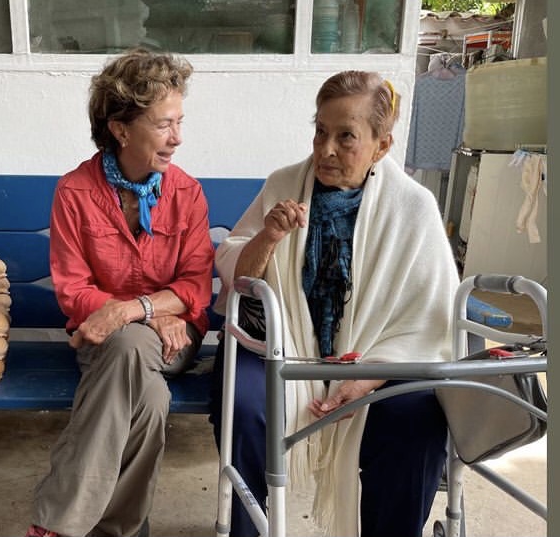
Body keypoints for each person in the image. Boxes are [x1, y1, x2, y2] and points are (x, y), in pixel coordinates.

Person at [209, 70, 460, 537]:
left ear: (381, 146)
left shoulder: (414, 207)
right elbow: (239, 277)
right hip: (278, 351)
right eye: (320, 131)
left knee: (418, 418)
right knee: (245, 408)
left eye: (346, 137)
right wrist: (270, 236)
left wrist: (369, 377)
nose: (325, 149)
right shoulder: (282, 185)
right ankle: (249, 530)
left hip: (378, 362)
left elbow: (429, 322)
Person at [28, 48, 215, 537]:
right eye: (164, 124)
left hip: (175, 340)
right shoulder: (75, 192)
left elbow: (195, 287)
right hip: (104, 342)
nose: (177, 137)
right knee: (149, 400)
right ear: (121, 129)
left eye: (179, 122)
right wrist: (148, 314)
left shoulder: (187, 193)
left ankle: (58, 521)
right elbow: (74, 291)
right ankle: (120, 531)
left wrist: (135, 310)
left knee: (130, 341)